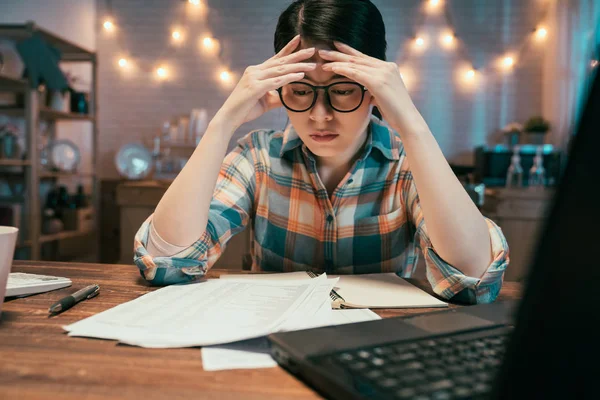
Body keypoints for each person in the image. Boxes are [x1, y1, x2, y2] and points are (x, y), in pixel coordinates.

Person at [134, 0, 509, 304]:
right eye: (300, 91)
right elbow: (169, 262)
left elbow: (473, 280)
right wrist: (222, 125)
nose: (319, 115)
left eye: (343, 90)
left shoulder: (407, 163)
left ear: (376, 87)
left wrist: (412, 124)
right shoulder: (258, 156)